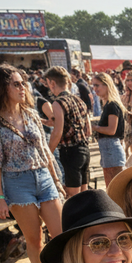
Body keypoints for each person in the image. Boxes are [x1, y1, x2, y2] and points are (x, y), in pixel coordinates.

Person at [0, 64, 64, 263]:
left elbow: (44, 149)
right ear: (1, 88)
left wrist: (56, 180)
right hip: (17, 182)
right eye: (16, 84)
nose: (23, 88)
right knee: (34, 238)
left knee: (60, 234)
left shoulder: (30, 113)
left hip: (43, 177)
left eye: (23, 82)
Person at [44, 67, 91, 197]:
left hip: (70, 152)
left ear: (52, 83)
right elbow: (88, 130)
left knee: (73, 198)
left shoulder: (58, 102)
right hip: (85, 150)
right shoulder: (79, 101)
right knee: (84, 196)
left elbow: (57, 132)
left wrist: (48, 152)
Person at [92, 72, 127, 186]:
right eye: (94, 85)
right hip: (109, 148)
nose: (94, 88)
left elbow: (111, 130)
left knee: (115, 187)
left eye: (97, 85)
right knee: (112, 187)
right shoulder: (108, 104)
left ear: (106, 85)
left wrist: (94, 127)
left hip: (111, 148)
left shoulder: (112, 105)